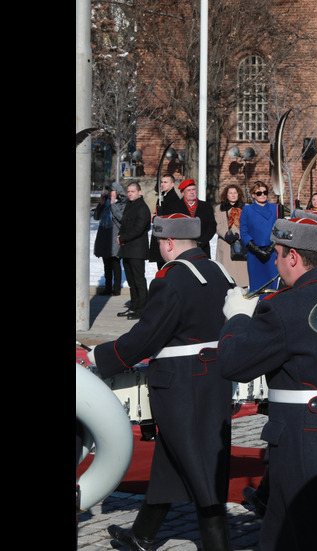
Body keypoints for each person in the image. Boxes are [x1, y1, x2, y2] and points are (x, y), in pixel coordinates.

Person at [218, 214, 317, 550]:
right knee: (290, 531)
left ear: (294, 256)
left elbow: (234, 364)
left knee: (313, 533)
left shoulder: (284, 308)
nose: (275, 262)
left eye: (278, 254)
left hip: (301, 440)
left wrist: (236, 319)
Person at [90, 213, 236, 551]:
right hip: (213, 378)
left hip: (182, 385)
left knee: (199, 467)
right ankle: (143, 534)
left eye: (160, 244)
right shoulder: (218, 271)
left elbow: (146, 337)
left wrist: (100, 357)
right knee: (173, 458)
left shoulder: (171, 279)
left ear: (169, 243)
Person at [117, 182, 151, 320]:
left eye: (133, 191)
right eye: (128, 191)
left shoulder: (142, 208)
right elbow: (124, 224)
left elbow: (138, 228)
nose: (130, 193)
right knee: (131, 281)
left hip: (137, 250)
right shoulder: (130, 206)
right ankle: (134, 306)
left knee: (138, 280)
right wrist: (120, 236)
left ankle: (142, 309)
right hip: (127, 248)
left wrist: (123, 237)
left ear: (139, 192)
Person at [239, 181, 279, 293]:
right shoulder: (247, 210)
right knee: (256, 285)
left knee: (272, 283)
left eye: (265, 192)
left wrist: (271, 248)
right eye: (259, 193)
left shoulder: (275, 208)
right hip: (254, 254)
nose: (263, 195)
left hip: (272, 253)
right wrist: (256, 250)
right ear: (253, 195)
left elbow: (280, 229)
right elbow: (244, 232)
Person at [214, 183, 249, 287]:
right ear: (226, 195)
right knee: (226, 276)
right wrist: (226, 235)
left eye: (235, 193)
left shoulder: (245, 208)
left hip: (241, 244)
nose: (233, 195)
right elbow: (217, 225)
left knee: (241, 276)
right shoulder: (219, 208)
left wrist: (240, 235)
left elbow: (249, 224)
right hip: (225, 245)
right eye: (230, 193)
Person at [94, 182, 124, 296]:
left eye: (112, 191)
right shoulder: (105, 203)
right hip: (104, 236)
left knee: (115, 263)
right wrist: (101, 204)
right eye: (109, 191)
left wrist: (112, 204)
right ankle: (107, 288)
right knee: (106, 264)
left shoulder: (122, 203)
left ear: (117, 192)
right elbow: (96, 217)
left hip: (115, 236)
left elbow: (121, 218)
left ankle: (116, 289)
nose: (109, 193)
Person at [149, 174, 185, 269]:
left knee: (166, 267)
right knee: (161, 267)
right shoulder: (163, 196)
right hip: (160, 235)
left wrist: (155, 217)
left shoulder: (173, 199)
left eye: (166, 182)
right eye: (161, 182)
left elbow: (170, 217)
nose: (162, 184)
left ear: (172, 184)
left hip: (166, 237)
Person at [178, 179, 217, 258]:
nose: (192, 192)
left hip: (202, 247)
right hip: (181, 248)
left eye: (193, 189)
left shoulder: (206, 206)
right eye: (189, 190)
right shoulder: (175, 207)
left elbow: (212, 226)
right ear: (182, 193)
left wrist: (201, 241)